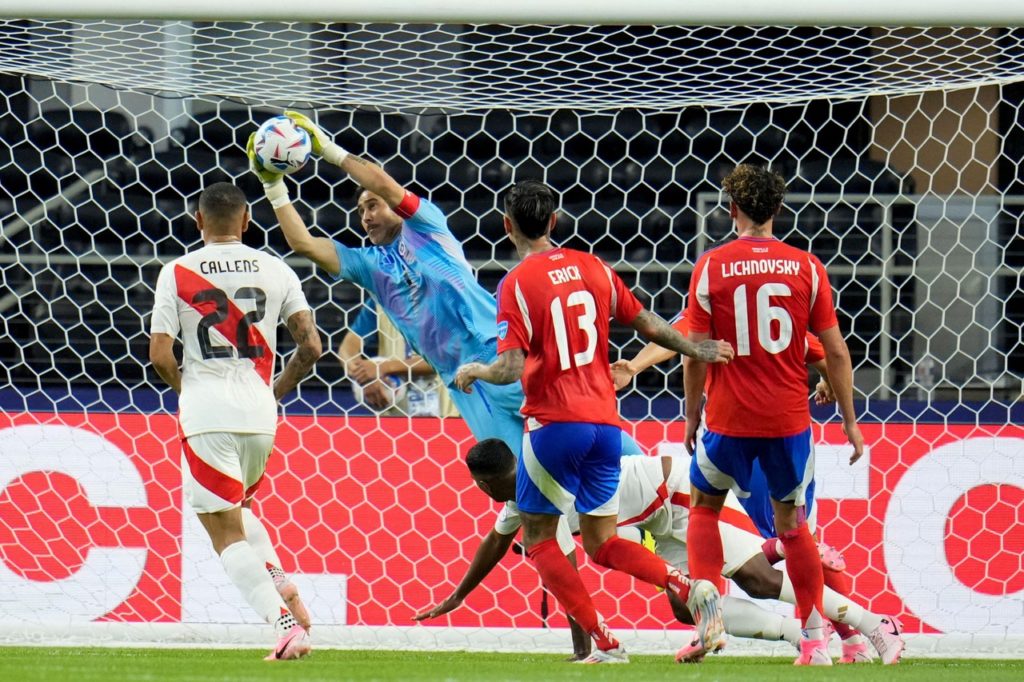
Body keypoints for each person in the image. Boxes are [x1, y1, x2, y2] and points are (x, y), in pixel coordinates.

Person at [453, 180, 735, 664]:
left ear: (506, 225)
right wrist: (694, 347)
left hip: (555, 426)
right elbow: (646, 321)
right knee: (602, 541)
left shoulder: (515, 284)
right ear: (555, 221)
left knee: (539, 538)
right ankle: (687, 584)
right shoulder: (594, 267)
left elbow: (511, 367)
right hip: (607, 426)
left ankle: (605, 644)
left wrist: (474, 370)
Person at [421, 439, 902, 663]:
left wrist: (585, 647)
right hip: (648, 519)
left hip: (676, 491)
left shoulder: (543, 490)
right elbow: (496, 543)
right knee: (682, 604)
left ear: (484, 481)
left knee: (756, 580)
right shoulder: (521, 498)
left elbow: (562, 571)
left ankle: (872, 624)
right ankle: (799, 632)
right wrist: (458, 597)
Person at [612, 313, 904, 664]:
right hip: (746, 440)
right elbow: (676, 337)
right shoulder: (747, 299)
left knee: (773, 557)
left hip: (755, 441)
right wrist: (830, 384)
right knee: (743, 564)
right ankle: (832, 632)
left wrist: (639, 370)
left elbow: (681, 342)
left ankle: (847, 636)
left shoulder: (736, 295)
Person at [679, 164, 878, 666]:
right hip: (789, 422)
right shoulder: (806, 265)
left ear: (732, 210)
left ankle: (710, 622)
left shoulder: (711, 265)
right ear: (779, 209)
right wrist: (851, 422)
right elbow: (835, 351)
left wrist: (691, 413)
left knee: (702, 507)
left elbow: (694, 350)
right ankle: (815, 641)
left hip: (728, 420)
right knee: (794, 529)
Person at [149, 182, 322, 661]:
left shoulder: (177, 271)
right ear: (247, 221)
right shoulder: (278, 269)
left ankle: (284, 627)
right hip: (260, 415)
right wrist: (273, 391)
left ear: (198, 221)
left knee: (222, 530)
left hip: (208, 412)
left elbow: (161, 354)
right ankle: (279, 583)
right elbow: (311, 347)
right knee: (238, 510)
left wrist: (190, 392)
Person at [338, 297, 456, 417]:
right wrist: (365, 378)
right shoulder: (379, 301)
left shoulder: (447, 299)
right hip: (395, 418)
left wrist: (384, 368)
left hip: (449, 416)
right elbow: (347, 348)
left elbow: (447, 359)